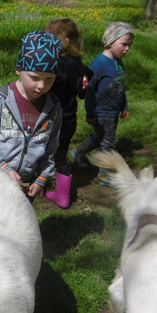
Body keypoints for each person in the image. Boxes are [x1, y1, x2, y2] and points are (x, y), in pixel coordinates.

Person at [0, 31, 63, 199]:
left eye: (50, 79)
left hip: (27, 185)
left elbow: (51, 147)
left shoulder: (54, 108)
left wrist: (43, 178)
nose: (41, 86)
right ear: (19, 69)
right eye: (35, 77)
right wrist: (4, 168)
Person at [70, 21, 134, 187]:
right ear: (110, 41)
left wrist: (124, 105)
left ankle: (79, 151)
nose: (127, 49)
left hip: (113, 110)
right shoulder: (98, 64)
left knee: (100, 137)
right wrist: (90, 113)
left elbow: (120, 86)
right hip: (102, 111)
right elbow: (89, 91)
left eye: (129, 45)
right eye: (124, 44)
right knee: (108, 143)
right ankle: (104, 175)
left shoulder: (118, 62)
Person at [44, 17, 93, 208]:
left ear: (64, 41)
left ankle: (53, 189)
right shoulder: (79, 64)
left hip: (53, 116)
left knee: (47, 150)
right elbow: (83, 90)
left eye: (50, 39)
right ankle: (60, 192)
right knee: (61, 152)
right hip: (70, 118)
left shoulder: (58, 64)